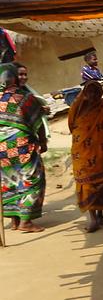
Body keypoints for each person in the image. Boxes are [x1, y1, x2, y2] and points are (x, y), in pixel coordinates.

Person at [68, 80, 103, 233]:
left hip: (102, 154)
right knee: (86, 183)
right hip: (83, 154)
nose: (93, 95)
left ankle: (100, 214)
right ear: (84, 93)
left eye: (96, 92)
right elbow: (71, 126)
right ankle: (92, 219)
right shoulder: (77, 108)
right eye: (90, 92)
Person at [0, 67, 47, 232]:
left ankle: (14, 220)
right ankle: (25, 222)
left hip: (1, 150)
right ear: (13, 79)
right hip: (22, 148)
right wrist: (43, 142)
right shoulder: (25, 98)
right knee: (32, 180)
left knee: (8, 181)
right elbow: (39, 122)